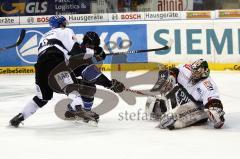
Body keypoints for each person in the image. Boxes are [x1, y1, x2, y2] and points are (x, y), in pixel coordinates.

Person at [9, 15, 125, 127]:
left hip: (40, 67)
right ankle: (79, 110)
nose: (66, 25)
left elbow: (73, 53)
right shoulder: (65, 31)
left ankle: (20, 117)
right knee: (71, 87)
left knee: (42, 98)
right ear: (61, 24)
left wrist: (93, 52)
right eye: (64, 23)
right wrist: (96, 53)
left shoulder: (44, 37)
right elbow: (76, 51)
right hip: (56, 62)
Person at [145, 59, 225, 130]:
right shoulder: (188, 70)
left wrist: (216, 112)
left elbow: (214, 101)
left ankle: (176, 118)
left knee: (170, 120)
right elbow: (176, 70)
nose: (193, 74)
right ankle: (169, 109)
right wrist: (171, 76)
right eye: (193, 71)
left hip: (197, 108)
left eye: (196, 73)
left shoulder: (207, 85)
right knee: (154, 105)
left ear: (205, 72)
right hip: (182, 97)